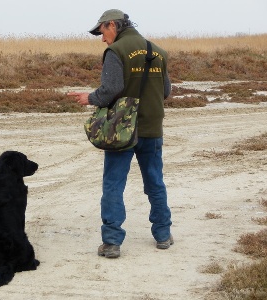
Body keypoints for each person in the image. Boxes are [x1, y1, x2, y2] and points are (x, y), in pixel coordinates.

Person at [68, 9, 173, 258]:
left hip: (122, 130)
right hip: (152, 128)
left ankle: (112, 242)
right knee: (155, 182)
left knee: (113, 184)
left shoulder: (116, 51)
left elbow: (111, 88)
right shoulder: (158, 51)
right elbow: (166, 91)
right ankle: (163, 235)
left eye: (102, 32)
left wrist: (89, 98)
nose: (102, 39)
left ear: (112, 25)